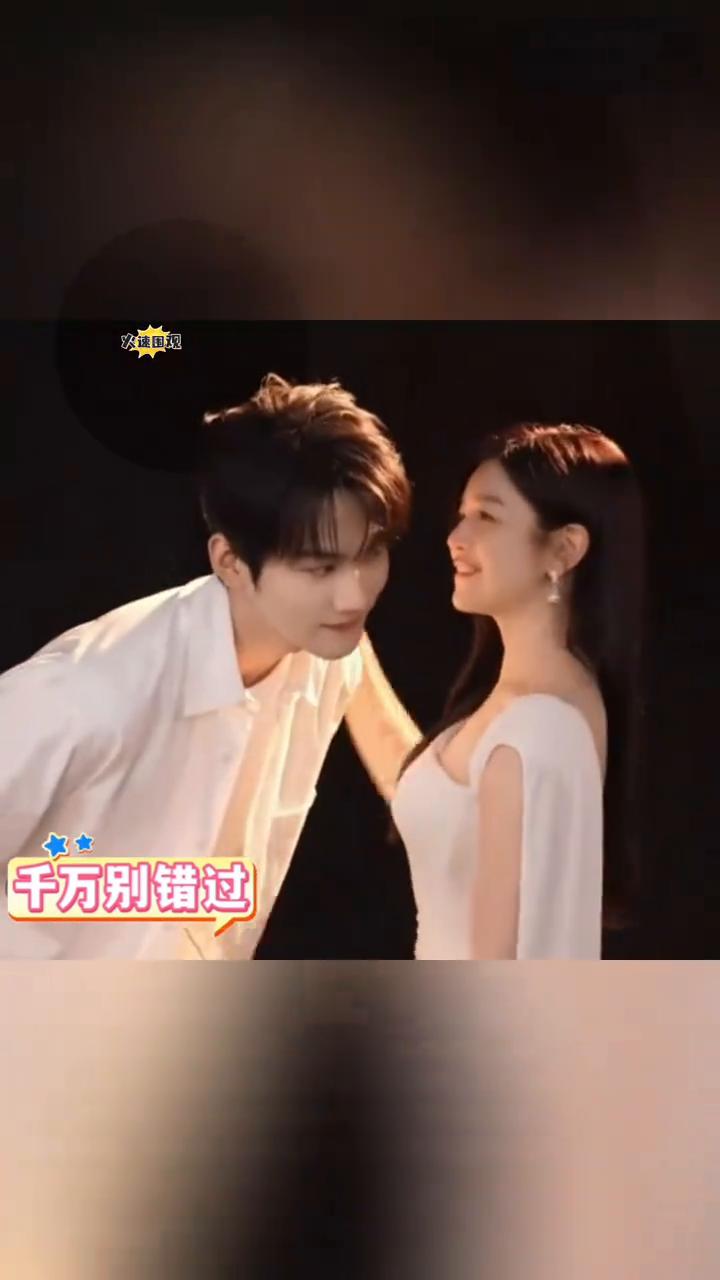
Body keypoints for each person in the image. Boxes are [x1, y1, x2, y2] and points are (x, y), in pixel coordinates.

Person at [0, 373, 421, 959]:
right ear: (229, 561)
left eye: (370, 554)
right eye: (319, 568)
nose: (354, 596)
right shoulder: (86, 694)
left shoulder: (328, 653)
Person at [390, 422, 647, 959]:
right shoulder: (534, 701)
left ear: (564, 549)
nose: (456, 537)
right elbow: (438, 796)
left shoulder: (535, 727)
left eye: (486, 516)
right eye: (462, 514)